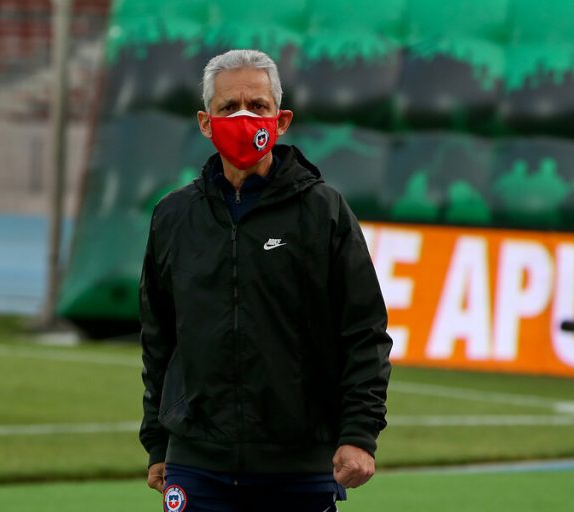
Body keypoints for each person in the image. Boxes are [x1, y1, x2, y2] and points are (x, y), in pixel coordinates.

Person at [139, 49, 392, 512]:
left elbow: (364, 332)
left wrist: (359, 433)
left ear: (281, 120)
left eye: (257, 106)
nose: (243, 117)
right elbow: (160, 338)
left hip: (298, 468)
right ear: (204, 121)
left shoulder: (324, 213)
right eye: (228, 107)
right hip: (197, 464)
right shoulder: (173, 216)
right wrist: (158, 441)